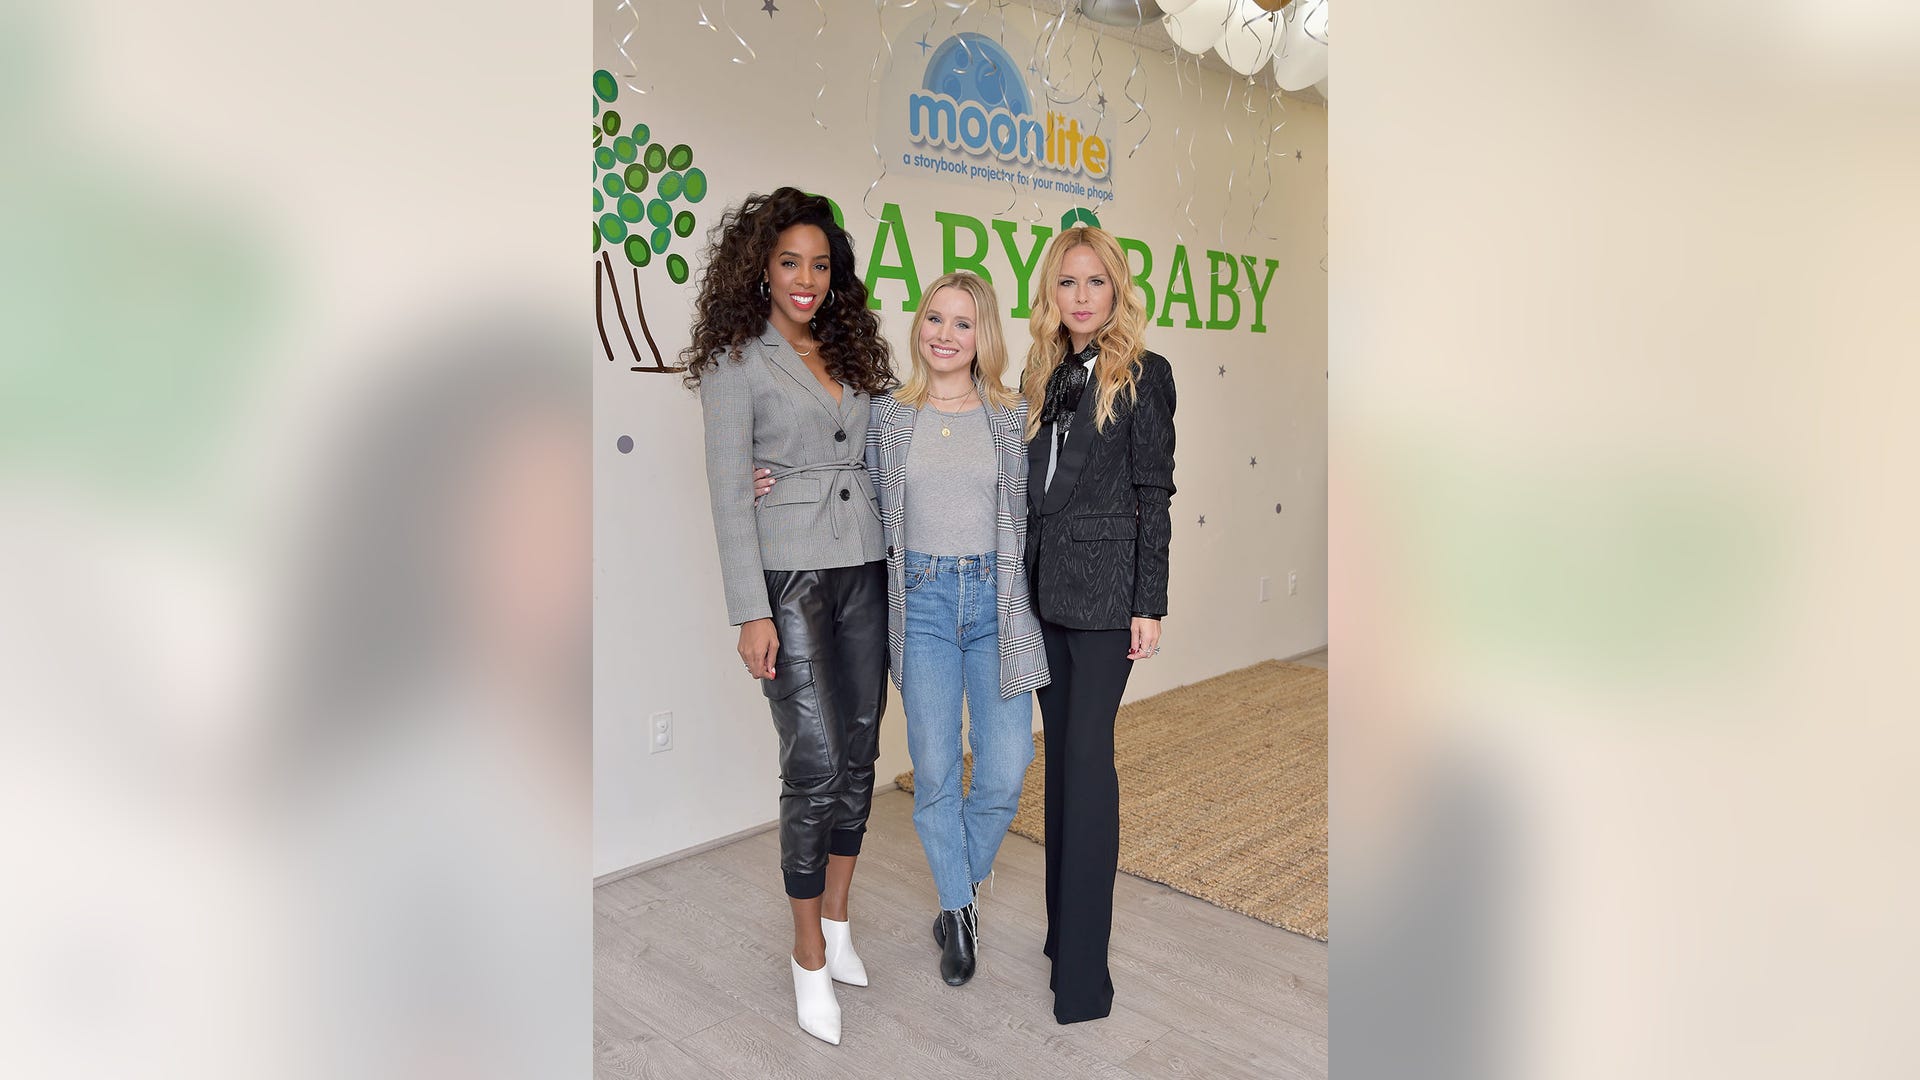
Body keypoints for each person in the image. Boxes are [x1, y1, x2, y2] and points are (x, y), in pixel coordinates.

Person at [766, 272, 1048, 986]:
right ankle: (959, 913)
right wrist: (762, 474)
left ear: (982, 334)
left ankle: (958, 888)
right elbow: (833, 469)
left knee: (1007, 768)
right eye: (933, 319)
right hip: (919, 604)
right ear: (918, 327)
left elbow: (1045, 500)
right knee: (937, 775)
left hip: (996, 603)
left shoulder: (1012, 416)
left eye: (961, 323)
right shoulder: (888, 416)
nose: (944, 335)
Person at [681, 186, 893, 1046]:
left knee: (862, 749)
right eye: (789, 263)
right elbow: (730, 494)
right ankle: (807, 955)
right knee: (811, 760)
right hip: (791, 580)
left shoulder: (850, 351)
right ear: (761, 270)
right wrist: (749, 611)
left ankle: (837, 919)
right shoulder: (737, 362)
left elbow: (880, 453)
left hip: (866, 570)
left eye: (819, 264)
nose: (806, 279)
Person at [1019, 225, 1176, 1024]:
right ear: (1053, 293)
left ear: (1116, 290)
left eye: (1096, 283)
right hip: (1042, 595)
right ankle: (1060, 938)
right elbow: (1027, 485)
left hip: (1108, 600)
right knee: (1063, 772)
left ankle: (1084, 979)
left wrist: (1149, 602)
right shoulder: (1040, 373)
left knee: (1089, 765)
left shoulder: (1147, 375)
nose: (1082, 297)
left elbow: (1153, 493)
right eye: (1068, 284)